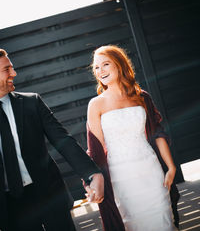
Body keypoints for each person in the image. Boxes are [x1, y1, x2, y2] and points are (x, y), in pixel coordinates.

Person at [0, 48, 104, 231]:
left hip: (49, 195)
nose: (14, 73)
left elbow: (63, 139)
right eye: (6, 69)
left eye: (12, 68)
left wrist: (91, 173)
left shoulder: (32, 102)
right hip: (11, 208)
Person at [86, 45, 178, 231]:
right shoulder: (96, 104)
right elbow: (95, 150)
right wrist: (92, 182)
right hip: (120, 178)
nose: (100, 71)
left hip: (151, 171)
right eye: (96, 67)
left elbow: (157, 133)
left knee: (163, 218)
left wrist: (171, 167)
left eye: (105, 64)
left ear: (119, 65)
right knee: (132, 223)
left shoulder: (141, 98)